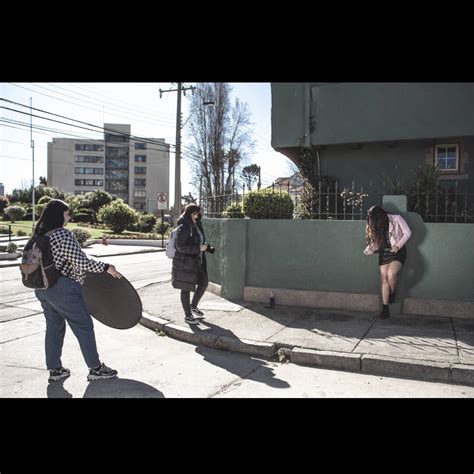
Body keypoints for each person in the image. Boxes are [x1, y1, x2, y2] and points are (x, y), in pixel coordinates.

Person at [32, 199, 121, 382]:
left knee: (54, 328)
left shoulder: (40, 235)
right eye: (66, 213)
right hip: (63, 288)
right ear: (59, 215)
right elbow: (82, 262)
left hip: (42, 288)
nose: (69, 217)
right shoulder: (63, 235)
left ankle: (55, 370)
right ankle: (96, 369)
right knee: (84, 326)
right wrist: (106, 267)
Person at [363, 205, 412, 319]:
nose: (371, 221)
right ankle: (385, 309)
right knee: (384, 278)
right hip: (384, 252)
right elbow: (374, 242)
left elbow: (408, 232)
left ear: (379, 216)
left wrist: (398, 245)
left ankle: (393, 291)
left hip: (398, 251)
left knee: (391, 274)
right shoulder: (373, 223)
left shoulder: (396, 218)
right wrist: (370, 249)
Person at [171, 204, 210, 325]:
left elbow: (198, 241)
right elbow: (180, 247)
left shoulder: (196, 225)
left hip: (196, 261)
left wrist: (206, 248)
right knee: (185, 288)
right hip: (185, 262)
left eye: (198, 213)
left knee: (204, 282)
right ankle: (188, 316)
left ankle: (193, 306)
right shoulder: (185, 226)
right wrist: (199, 248)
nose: (197, 216)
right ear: (189, 214)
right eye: (194, 213)